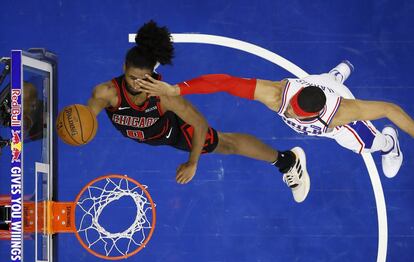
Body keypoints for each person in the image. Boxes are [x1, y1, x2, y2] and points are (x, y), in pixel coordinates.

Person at [87, 20, 311, 203]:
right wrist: (80, 128)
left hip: (173, 131)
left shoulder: (163, 97)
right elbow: (87, 118)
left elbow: (199, 124)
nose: (136, 84)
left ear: (152, 75)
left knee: (226, 144)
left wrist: (192, 162)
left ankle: (288, 160)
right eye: (132, 77)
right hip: (152, 134)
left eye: (142, 79)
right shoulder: (106, 93)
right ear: (123, 67)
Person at [136, 61, 414, 178]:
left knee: (364, 145)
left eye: (295, 113)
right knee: (318, 81)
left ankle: (390, 144)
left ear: (314, 115)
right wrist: (177, 89)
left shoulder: (343, 113)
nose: (289, 112)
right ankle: (334, 77)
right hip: (314, 86)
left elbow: (391, 109)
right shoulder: (277, 94)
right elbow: (223, 82)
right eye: (291, 108)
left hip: (339, 119)